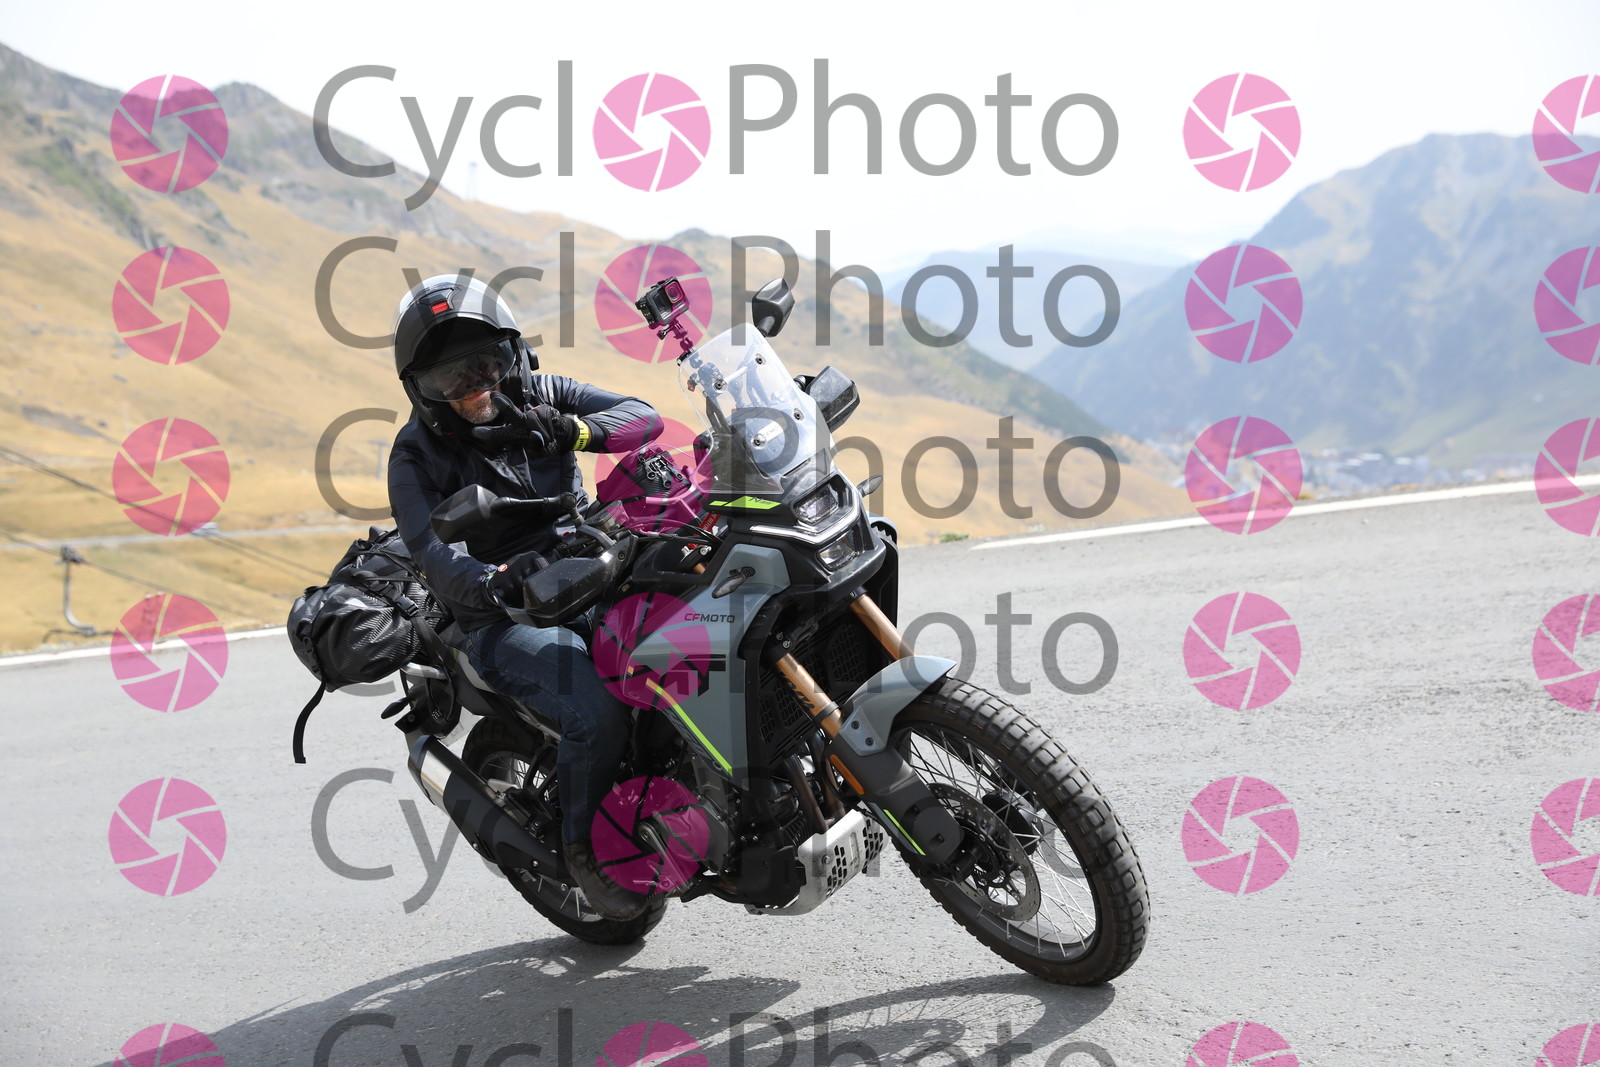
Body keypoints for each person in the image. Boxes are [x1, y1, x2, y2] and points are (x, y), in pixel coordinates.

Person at [386, 273, 658, 921]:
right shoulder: (414, 457)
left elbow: (643, 417)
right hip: (504, 616)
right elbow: (434, 553)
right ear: (421, 390)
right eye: (448, 379)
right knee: (595, 709)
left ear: (511, 354)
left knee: (686, 639)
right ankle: (584, 853)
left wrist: (571, 431)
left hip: (592, 569)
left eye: (483, 364)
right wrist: (492, 579)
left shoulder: (541, 394)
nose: (472, 387)